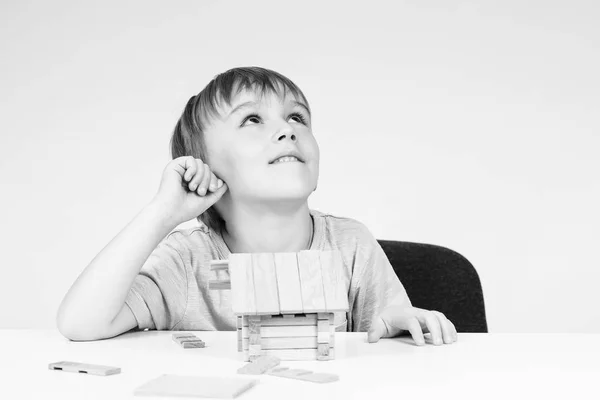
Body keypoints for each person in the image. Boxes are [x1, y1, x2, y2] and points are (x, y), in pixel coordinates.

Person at [57, 66, 458, 347]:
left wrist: (399, 326)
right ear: (206, 165)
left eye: (297, 117)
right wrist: (161, 213)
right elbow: (80, 323)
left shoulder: (351, 243)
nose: (288, 129)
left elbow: (388, 335)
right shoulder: (186, 260)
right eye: (252, 119)